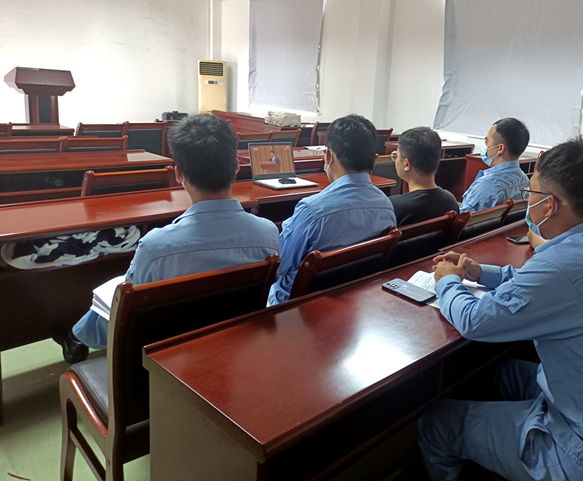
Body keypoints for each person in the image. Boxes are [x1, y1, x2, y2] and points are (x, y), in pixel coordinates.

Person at [420, 136, 583, 481]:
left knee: (436, 423)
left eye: (531, 193)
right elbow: (546, 284)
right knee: (502, 373)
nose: (528, 200)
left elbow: (475, 321)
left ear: (549, 205)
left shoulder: (564, 266)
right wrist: (481, 272)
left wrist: (447, 281)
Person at [53, 114, 281, 363]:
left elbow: (130, 317)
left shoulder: (155, 247)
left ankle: (77, 337)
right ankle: (77, 335)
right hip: (238, 352)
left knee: (117, 299)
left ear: (178, 173)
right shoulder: (268, 233)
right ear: (236, 166)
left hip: (172, 363)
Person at [268, 114, 396, 305]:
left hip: (297, 308)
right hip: (357, 303)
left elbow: (279, 267)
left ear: (328, 156)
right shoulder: (386, 205)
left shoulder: (311, 211)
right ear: (374, 160)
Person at [389, 127, 459, 226]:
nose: (395, 160)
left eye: (396, 156)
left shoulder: (393, 206)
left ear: (406, 164)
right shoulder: (450, 201)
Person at [460, 118, 530, 213]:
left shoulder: (486, 186)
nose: (485, 146)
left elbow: (462, 218)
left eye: (486, 142)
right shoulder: (525, 180)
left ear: (500, 148)